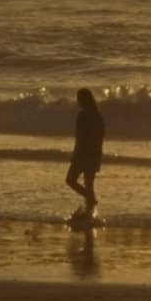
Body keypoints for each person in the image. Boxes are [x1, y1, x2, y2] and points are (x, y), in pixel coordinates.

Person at [66, 88, 104, 217]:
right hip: (94, 154)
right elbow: (100, 138)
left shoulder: (83, 115)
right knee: (88, 184)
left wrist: (75, 154)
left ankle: (90, 205)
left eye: (79, 99)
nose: (78, 102)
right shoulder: (97, 116)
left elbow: (80, 138)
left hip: (84, 154)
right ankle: (90, 209)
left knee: (71, 180)